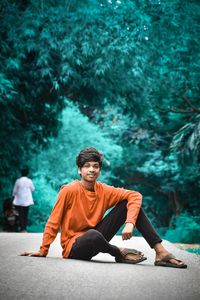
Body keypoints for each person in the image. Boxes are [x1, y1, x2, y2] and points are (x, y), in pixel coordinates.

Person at [21, 147, 187, 268]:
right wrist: (43, 250)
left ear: (99, 169)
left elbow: (135, 195)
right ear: (79, 170)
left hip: (97, 239)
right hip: (75, 247)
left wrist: (130, 222)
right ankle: (118, 252)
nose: (91, 170)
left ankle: (161, 252)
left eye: (95, 166)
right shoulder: (69, 190)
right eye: (87, 166)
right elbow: (53, 220)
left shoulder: (104, 190)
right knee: (92, 234)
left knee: (128, 205)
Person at [13, 167, 35, 232]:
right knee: (25, 214)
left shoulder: (18, 181)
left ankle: (22, 228)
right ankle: (24, 229)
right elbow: (33, 189)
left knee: (20, 214)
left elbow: (14, 191)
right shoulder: (29, 181)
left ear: (21, 173)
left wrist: (13, 197)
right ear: (27, 174)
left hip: (19, 200)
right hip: (27, 200)